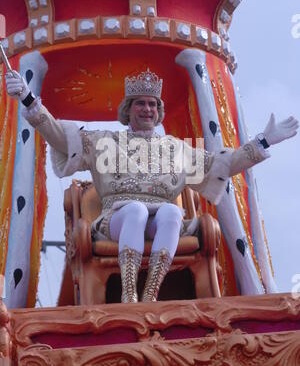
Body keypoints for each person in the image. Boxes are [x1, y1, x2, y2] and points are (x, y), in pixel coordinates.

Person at [4, 68, 299, 303]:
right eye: (140, 103)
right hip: (118, 218)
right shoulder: (104, 141)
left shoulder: (177, 149)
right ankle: (129, 293)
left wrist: (264, 141)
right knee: (135, 210)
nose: (147, 109)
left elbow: (223, 165)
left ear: (158, 111)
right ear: (128, 109)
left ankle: (150, 293)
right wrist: (30, 99)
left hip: (162, 222)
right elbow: (58, 136)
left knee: (172, 213)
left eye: (152, 104)